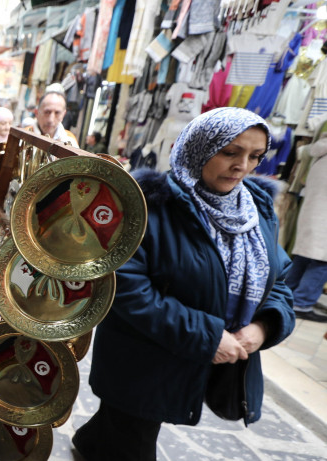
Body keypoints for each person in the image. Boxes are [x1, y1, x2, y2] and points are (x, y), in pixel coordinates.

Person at [72, 108, 295, 461]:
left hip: (196, 355)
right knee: (132, 432)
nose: (243, 166)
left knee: (121, 428)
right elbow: (126, 289)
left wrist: (264, 327)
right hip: (143, 357)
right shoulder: (149, 205)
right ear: (199, 148)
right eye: (230, 152)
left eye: (255, 156)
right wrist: (207, 336)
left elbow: (278, 278)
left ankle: (93, 441)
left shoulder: (256, 208)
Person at [284, 116, 327, 322]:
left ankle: (289, 293)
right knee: (322, 259)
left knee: (305, 253)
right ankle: (302, 301)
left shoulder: (321, 151)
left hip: (314, 211)